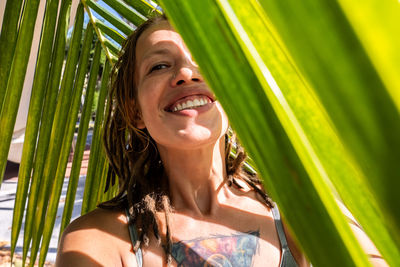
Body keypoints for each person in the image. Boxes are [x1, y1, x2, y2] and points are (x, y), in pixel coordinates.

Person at [56, 15, 385, 267]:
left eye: (205, 59)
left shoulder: (296, 211)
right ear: (135, 111)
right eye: (158, 65)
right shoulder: (96, 240)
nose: (186, 72)